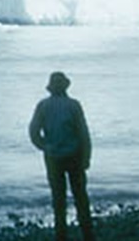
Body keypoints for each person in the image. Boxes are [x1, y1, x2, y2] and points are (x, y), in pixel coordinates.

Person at [28, 71, 95, 241]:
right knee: (80, 197)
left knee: (58, 199)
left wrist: (45, 146)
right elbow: (83, 134)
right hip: (74, 156)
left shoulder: (43, 105)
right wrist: (86, 157)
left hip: (53, 158)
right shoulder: (74, 105)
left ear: (50, 89)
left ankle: (61, 236)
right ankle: (87, 235)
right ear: (66, 87)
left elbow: (33, 132)